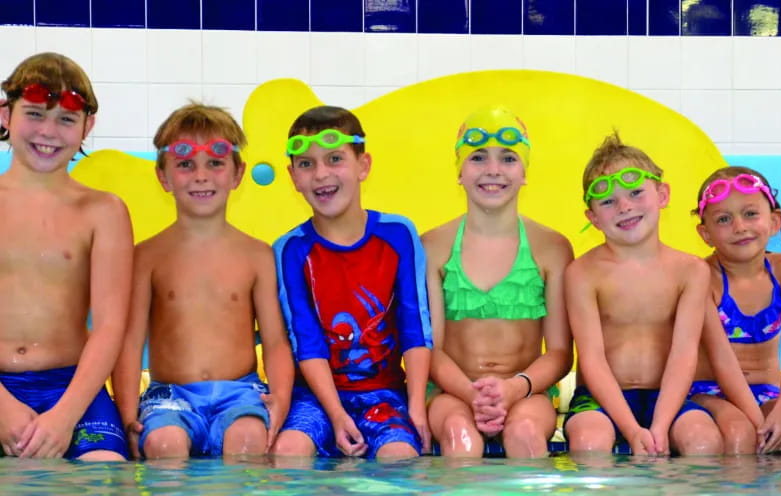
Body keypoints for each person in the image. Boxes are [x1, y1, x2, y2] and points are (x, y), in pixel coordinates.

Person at [113, 103, 293, 459]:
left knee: (248, 441)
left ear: (237, 173)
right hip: (170, 396)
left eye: (215, 163)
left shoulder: (257, 255)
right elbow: (130, 342)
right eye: (185, 164)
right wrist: (127, 414)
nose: (201, 176)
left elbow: (275, 340)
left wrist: (281, 398)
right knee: (165, 446)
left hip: (240, 393)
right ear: (163, 177)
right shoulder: (146, 256)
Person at [271, 106, 432, 460]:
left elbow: (415, 327)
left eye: (334, 159)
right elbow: (306, 341)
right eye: (306, 164)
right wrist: (337, 414)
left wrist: (417, 406)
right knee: (288, 452)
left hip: (385, 394)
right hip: (315, 397)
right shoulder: (291, 250)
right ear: (293, 177)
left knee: (401, 457)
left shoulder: (398, 235)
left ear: (363, 165)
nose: (321, 174)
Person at [0, 52, 132, 460]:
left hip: (71, 387)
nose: (49, 132)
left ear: (86, 126)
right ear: (5, 114)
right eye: (36, 114)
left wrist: (64, 416)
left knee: (105, 479)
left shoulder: (104, 212)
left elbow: (110, 325)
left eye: (66, 119)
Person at [423, 106, 573, 458]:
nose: (493, 170)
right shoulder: (432, 247)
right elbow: (431, 349)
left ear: (524, 172)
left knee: (524, 435)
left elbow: (561, 353)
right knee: (460, 439)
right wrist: (471, 393)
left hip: (529, 392)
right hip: (450, 393)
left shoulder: (552, 248)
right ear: (459, 171)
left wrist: (514, 389)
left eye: (508, 158)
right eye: (477, 158)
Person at [563, 132, 722, 456]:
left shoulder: (690, 271)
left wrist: (660, 426)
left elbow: (684, 353)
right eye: (608, 201)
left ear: (663, 194)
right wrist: (631, 429)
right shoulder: (582, 273)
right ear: (592, 218)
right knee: (589, 443)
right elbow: (591, 358)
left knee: (704, 442)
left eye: (636, 192)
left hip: (668, 395)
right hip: (599, 398)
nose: (625, 207)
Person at [690, 166, 781, 453]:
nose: (740, 227)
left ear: (775, 220)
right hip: (708, 393)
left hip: (768, 393)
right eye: (724, 219)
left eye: (750, 214)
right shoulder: (702, 276)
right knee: (740, 436)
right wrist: (758, 422)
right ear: (705, 233)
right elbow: (721, 359)